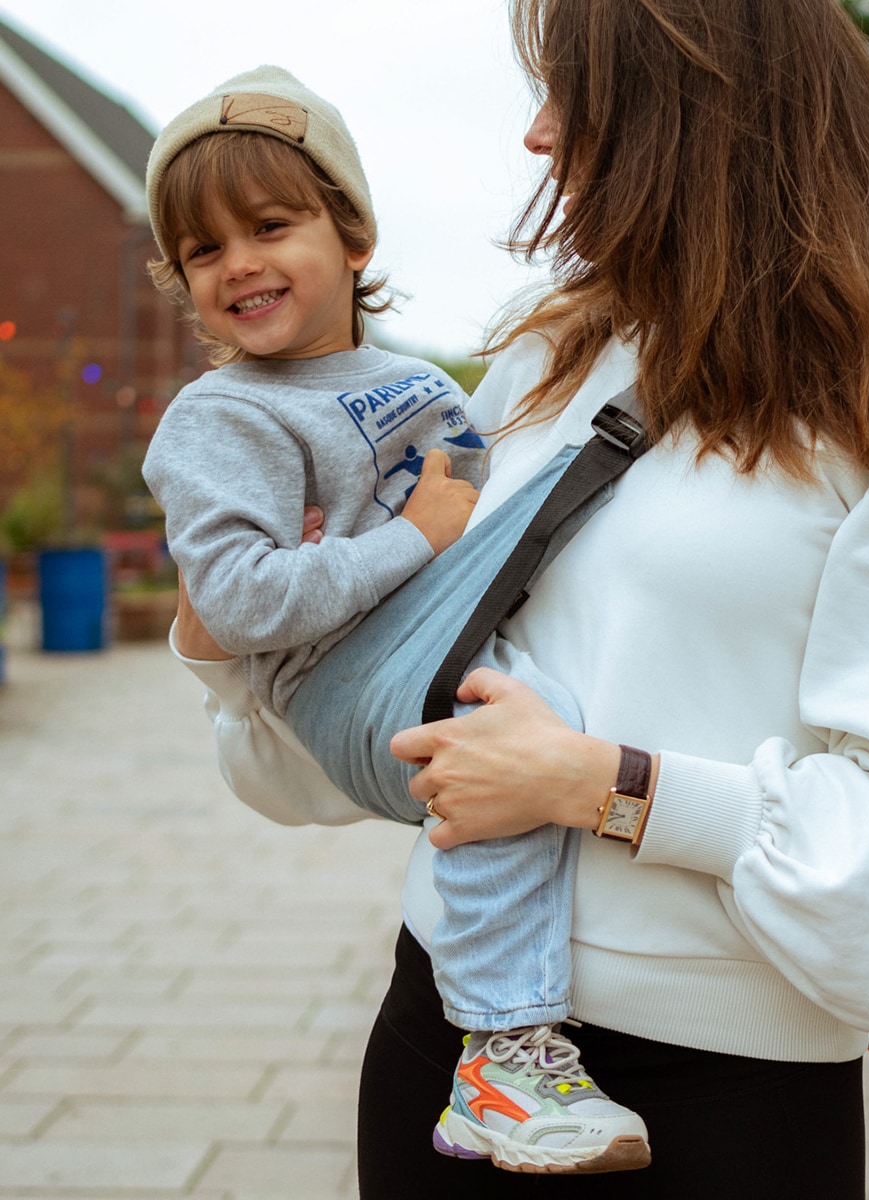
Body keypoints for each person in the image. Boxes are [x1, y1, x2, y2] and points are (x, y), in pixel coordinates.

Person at [170, 1, 869, 1194]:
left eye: (571, 92)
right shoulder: (543, 364)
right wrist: (224, 647)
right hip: (444, 1044)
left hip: (729, 1099)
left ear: (689, 108)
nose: (538, 135)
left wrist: (598, 785)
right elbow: (362, 740)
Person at [142, 66, 654, 1175]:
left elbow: (489, 520)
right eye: (203, 250)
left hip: (425, 636)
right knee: (511, 733)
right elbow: (235, 602)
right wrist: (411, 540)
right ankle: (501, 1053)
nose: (239, 263)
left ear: (356, 237)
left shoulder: (417, 382)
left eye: (270, 226)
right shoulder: (220, 417)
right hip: (334, 685)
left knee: (612, 684)